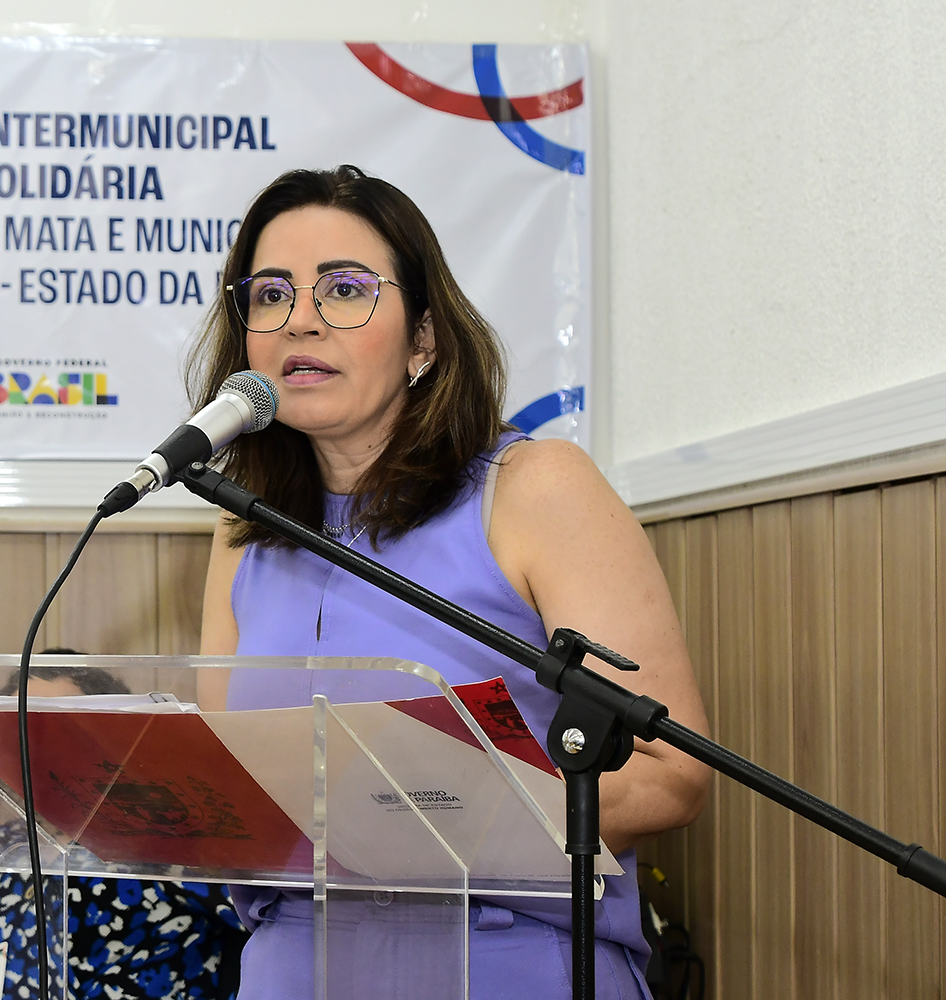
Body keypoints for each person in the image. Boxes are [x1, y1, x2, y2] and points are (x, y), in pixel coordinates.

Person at [191, 166, 712, 999]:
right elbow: (229, 782)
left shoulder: (538, 489)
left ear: (423, 342)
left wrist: (422, 821)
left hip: (506, 957)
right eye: (271, 293)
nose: (301, 321)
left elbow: (670, 771)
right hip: (291, 959)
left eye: (346, 290)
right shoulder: (242, 525)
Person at [0, 656, 248, 1000]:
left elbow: (271, 928)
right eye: (23, 728)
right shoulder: (4, 844)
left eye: (58, 728)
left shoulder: (165, 842)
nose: (37, 745)